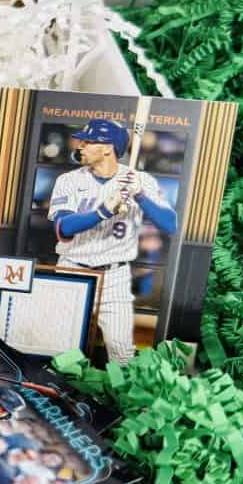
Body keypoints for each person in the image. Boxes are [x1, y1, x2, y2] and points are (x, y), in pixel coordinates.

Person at [48, 119, 177, 364]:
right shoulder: (69, 180)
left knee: (122, 351)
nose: (80, 145)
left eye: (88, 141)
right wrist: (104, 210)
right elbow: (63, 227)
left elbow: (170, 225)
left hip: (114, 277)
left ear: (107, 148)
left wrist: (140, 195)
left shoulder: (140, 180)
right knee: (60, 346)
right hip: (72, 269)